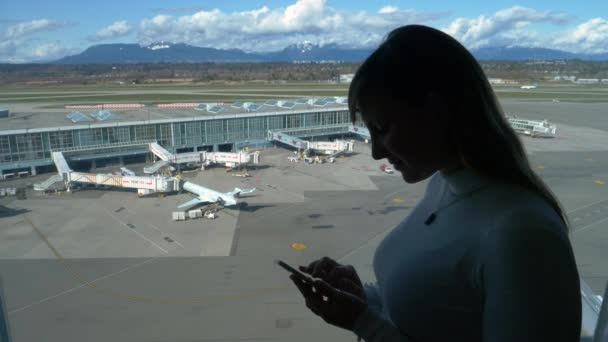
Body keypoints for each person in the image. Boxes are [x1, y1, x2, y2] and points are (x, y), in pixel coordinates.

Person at [289, 25, 581, 341]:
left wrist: (364, 323)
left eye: (383, 128)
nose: (375, 152)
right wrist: (364, 299)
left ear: (437, 111)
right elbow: (434, 315)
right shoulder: (445, 184)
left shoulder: (523, 233)